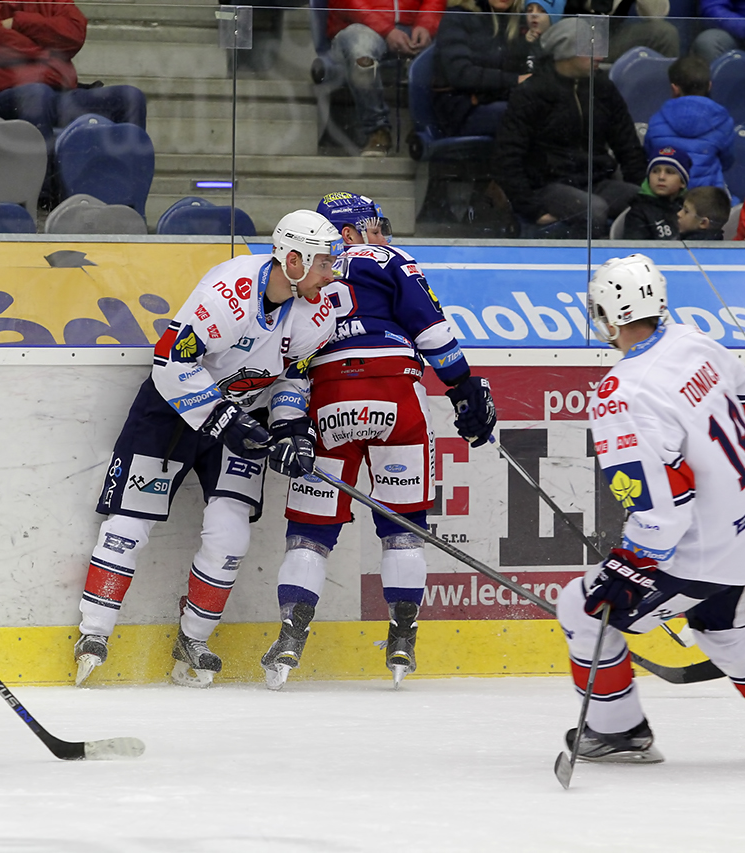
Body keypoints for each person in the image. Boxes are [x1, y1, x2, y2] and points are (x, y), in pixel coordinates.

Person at [556, 253, 745, 763]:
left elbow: (662, 507)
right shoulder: (693, 340)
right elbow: (742, 386)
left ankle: (617, 731)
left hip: (700, 548)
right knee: (725, 634)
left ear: (605, 316)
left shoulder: (620, 393)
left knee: (581, 608)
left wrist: (630, 566)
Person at [74, 210, 343, 688]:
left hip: (242, 417)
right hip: (172, 409)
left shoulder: (317, 312)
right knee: (129, 524)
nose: (331, 274)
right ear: (294, 260)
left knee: (230, 534)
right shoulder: (230, 290)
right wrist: (223, 419)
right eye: (324, 263)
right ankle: (93, 632)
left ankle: (193, 639)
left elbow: (292, 378)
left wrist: (291, 431)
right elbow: (170, 359)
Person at [260, 192, 498, 690]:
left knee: (310, 531)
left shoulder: (305, 277)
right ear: (349, 232)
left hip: (329, 398)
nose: (382, 235)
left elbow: (290, 361)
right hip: (394, 392)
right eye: (374, 225)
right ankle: (402, 637)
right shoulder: (387, 258)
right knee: (403, 527)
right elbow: (430, 329)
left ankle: (289, 637)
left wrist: (289, 420)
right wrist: (462, 387)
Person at [494, 16, 647, 238]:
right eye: (591, 50)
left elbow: (627, 145)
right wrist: (531, 209)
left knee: (646, 201)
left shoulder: (603, 88)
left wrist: (644, 189)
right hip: (548, 185)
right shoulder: (532, 92)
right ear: (567, 52)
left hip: (597, 181)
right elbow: (507, 156)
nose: (601, 57)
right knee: (594, 210)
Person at [0, 0, 146, 144]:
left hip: (58, 96)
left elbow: (75, 31)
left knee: (130, 98)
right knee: (37, 95)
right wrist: (49, 53)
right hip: (5, 97)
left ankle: (129, 181)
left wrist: (18, 22)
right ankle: (45, 183)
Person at [319, 0, 444, 156]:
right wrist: (387, 30)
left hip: (413, 27)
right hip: (360, 26)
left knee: (452, 43)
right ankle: (377, 130)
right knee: (360, 51)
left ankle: (424, 128)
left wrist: (426, 25)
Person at [431, 0, 533, 138]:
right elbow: (461, 74)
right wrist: (515, 81)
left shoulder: (519, 19)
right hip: (463, 108)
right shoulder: (457, 16)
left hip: (500, 98)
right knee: (526, 116)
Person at [644, 55, 737, 203]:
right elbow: (727, 161)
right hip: (708, 200)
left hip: (666, 198)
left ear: (674, 89)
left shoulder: (656, 120)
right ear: (709, 86)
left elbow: (650, 156)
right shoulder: (724, 121)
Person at [562, 0, 679, 60]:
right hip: (571, 32)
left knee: (665, 33)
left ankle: (668, 96)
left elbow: (657, 15)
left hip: (612, 35)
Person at [622, 146, 689, 240]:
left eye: (669, 172)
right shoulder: (638, 212)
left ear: (683, 182)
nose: (661, 177)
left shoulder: (691, 207)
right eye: (655, 171)